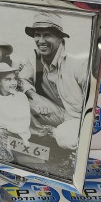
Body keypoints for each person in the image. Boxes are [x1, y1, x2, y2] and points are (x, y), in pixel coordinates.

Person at [19, 12, 88, 150]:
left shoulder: (76, 61)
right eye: (37, 35)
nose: (41, 41)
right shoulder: (35, 57)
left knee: (65, 138)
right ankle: (44, 135)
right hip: (55, 111)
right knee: (17, 99)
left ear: (59, 38)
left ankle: (55, 135)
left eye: (47, 35)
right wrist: (35, 97)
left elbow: (92, 96)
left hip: (77, 116)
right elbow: (21, 80)